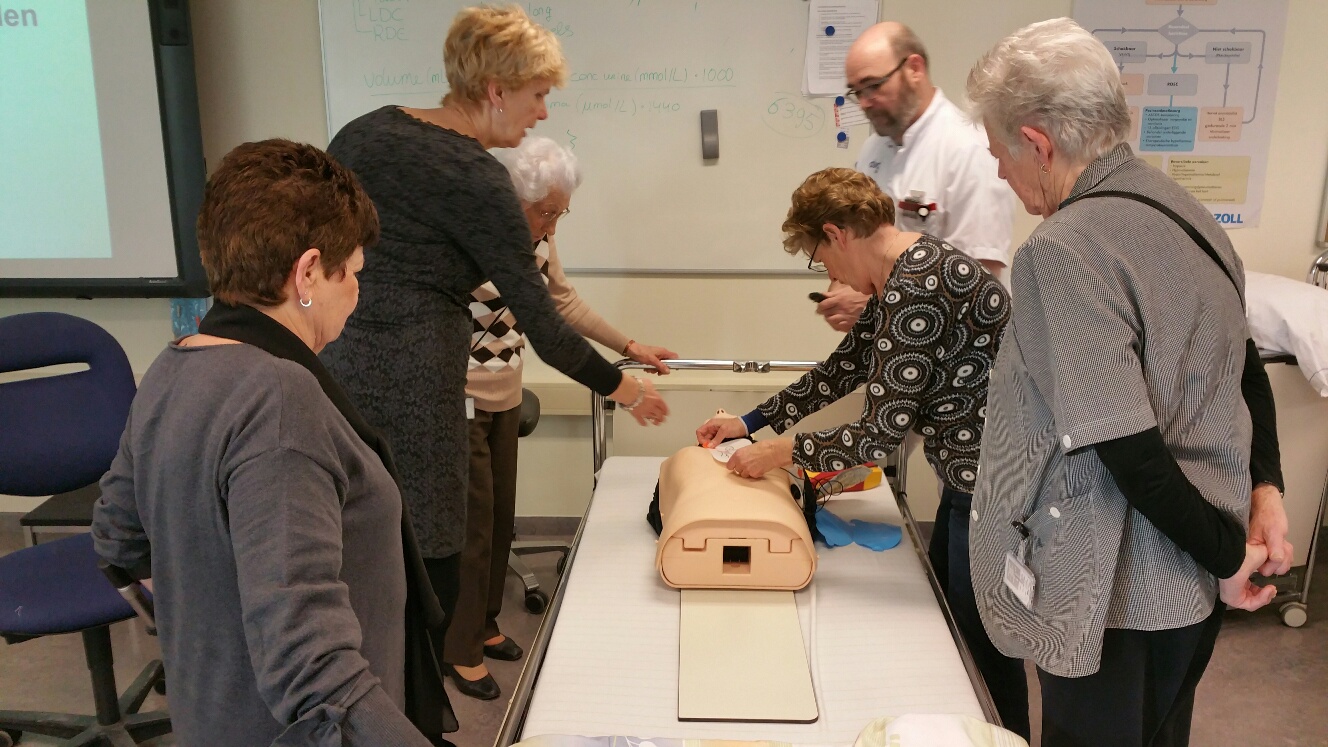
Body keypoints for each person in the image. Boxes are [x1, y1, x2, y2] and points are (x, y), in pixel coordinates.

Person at [318, 5, 669, 696]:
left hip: (337, 370)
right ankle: (412, 717)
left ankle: (364, 704)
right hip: (419, 383)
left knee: (357, 558)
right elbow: (541, 317)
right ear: (497, 89)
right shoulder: (475, 176)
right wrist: (623, 386)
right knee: (432, 565)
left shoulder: (361, 134)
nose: (541, 113)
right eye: (538, 95)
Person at [966, 18, 1292, 747]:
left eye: (999, 152)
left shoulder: (1063, 249)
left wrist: (1231, 557)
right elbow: (1244, 366)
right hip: (1187, 590)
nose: (998, 173)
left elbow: (1128, 449)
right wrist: (1263, 493)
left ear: (1038, 143)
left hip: (1117, 598)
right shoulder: (1188, 212)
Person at [91, 139, 447, 745]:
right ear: (307, 272)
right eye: (354, 273)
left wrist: (213, 624)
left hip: (210, 717)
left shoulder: (174, 367)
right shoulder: (280, 398)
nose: (357, 292)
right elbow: (314, 667)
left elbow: (117, 539)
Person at [695, 167, 1024, 735]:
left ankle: (1003, 735)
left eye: (820, 260)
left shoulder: (920, 283)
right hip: (968, 478)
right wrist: (747, 422)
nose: (829, 275)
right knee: (952, 625)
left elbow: (876, 438)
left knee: (983, 643)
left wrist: (778, 453)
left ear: (836, 234)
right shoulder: (906, 273)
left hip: (995, 487)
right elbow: (844, 369)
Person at [446, 135, 677, 699]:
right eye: (543, 211)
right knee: (473, 528)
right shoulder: (468, 237)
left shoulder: (542, 237)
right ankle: (459, 649)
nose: (550, 225)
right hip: (458, 395)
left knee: (501, 519)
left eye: (559, 213)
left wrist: (631, 344)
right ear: (507, 199)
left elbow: (562, 303)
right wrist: (622, 389)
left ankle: (487, 624)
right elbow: (546, 334)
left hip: (504, 390)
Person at [817, 22, 1013, 332]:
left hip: (953, 359)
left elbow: (979, 289)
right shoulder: (872, 151)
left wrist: (873, 308)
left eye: (874, 85)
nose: (865, 101)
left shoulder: (968, 150)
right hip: (890, 350)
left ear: (914, 68)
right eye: (857, 91)